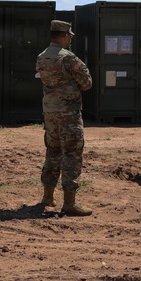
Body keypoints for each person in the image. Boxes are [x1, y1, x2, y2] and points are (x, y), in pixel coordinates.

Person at [36, 20, 94, 216]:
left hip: (49, 112)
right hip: (68, 113)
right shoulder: (69, 58)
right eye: (69, 36)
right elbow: (87, 83)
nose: (70, 39)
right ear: (63, 36)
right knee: (72, 154)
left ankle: (48, 196)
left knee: (53, 152)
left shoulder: (41, 56)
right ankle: (69, 203)